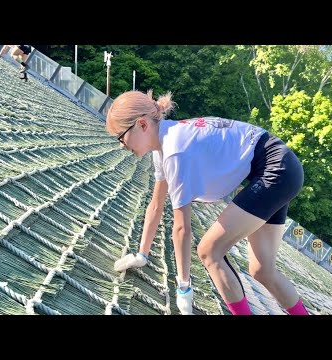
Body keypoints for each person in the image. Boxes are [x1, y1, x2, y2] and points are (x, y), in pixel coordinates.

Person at [106, 90, 309, 316]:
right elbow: (156, 204)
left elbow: (182, 228)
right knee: (262, 270)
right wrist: (142, 254)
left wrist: (184, 287)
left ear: (142, 125)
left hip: (275, 169)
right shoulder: (163, 143)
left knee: (209, 251)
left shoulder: (175, 151)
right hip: (282, 166)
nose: (122, 145)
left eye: (121, 138)